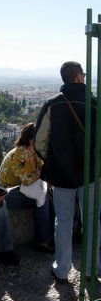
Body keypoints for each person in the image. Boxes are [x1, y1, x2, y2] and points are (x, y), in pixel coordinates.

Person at [34, 61, 100, 284]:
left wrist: (51, 161)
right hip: (90, 172)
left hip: (61, 174)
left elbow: (39, 142)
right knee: (92, 220)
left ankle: (62, 269)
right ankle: (92, 268)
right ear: (79, 77)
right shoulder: (94, 104)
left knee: (62, 221)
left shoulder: (53, 104)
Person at [0, 123, 55, 252]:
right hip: (9, 194)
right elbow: (28, 181)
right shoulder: (20, 153)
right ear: (32, 140)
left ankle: (51, 237)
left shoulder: (34, 153)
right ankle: (43, 241)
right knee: (42, 197)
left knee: (48, 197)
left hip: (24, 191)